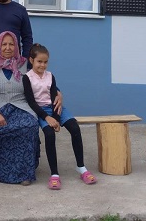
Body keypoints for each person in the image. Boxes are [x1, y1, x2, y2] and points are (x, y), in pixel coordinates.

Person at [22, 43, 97, 190]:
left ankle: (81, 167)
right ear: (31, 60)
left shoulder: (50, 76)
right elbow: (31, 102)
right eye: (39, 61)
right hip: (41, 111)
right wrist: (47, 118)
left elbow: (54, 97)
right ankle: (54, 174)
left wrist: (56, 118)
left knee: (75, 128)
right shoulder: (27, 78)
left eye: (45, 62)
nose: (42, 65)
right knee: (49, 135)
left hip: (56, 109)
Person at [0, 30, 39, 185]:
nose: (7, 48)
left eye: (11, 44)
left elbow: (42, 79)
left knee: (29, 125)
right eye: (4, 44)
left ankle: (25, 172)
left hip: (21, 106)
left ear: (16, 46)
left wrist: (56, 91)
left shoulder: (25, 64)